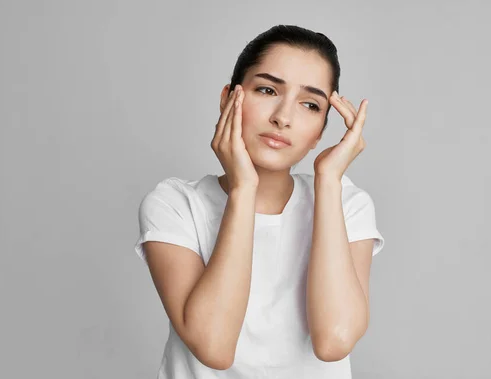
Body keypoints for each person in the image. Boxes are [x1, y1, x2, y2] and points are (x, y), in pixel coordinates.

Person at [134, 24, 385, 379]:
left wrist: (329, 182)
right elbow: (214, 347)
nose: (283, 117)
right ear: (227, 98)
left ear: (320, 132)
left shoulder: (348, 204)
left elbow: (333, 341)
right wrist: (243, 190)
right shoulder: (175, 204)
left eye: (310, 105)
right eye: (267, 90)